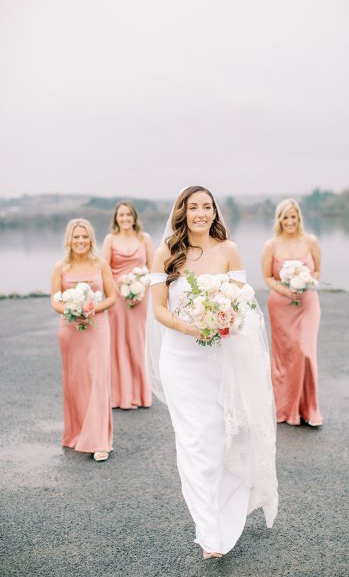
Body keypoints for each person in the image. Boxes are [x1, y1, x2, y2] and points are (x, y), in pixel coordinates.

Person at [149, 186, 278, 559]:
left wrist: (222, 319)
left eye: (207, 206)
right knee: (194, 444)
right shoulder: (165, 253)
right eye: (194, 207)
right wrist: (191, 327)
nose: (201, 213)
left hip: (219, 360)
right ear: (183, 212)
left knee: (224, 439)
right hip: (179, 359)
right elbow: (158, 310)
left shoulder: (229, 250)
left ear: (214, 212)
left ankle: (229, 511)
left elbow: (243, 305)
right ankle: (209, 535)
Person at [51, 218, 116, 462]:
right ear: (69, 239)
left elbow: (112, 297)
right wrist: (71, 310)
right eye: (76, 237)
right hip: (70, 329)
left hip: (97, 328)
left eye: (84, 236)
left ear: (91, 239)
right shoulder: (61, 267)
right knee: (75, 382)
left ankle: (99, 440)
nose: (80, 241)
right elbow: (55, 300)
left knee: (97, 379)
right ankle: (76, 433)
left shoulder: (101, 264)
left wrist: (91, 309)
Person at [260, 198, 323, 427]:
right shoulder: (271, 245)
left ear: (299, 218)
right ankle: (286, 409)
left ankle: (309, 409)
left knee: (305, 351)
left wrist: (304, 283)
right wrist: (287, 291)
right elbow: (267, 277)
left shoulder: (311, 241)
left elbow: (316, 271)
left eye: (293, 217)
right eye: (285, 217)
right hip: (281, 305)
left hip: (307, 304)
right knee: (285, 357)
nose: (289, 221)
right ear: (279, 220)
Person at [102, 201, 153, 409]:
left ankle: (141, 395)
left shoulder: (145, 238)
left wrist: (141, 287)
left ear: (134, 217)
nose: (125, 218)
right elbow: (104, 270)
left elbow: (152, 267)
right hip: (117, 298)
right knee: (118, 344)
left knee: (137, 342)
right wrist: (117, 290)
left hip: (141, 297)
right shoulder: (110, 239)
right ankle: (119, 396)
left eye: (128, 215)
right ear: (116, 218)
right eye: (121, 215)